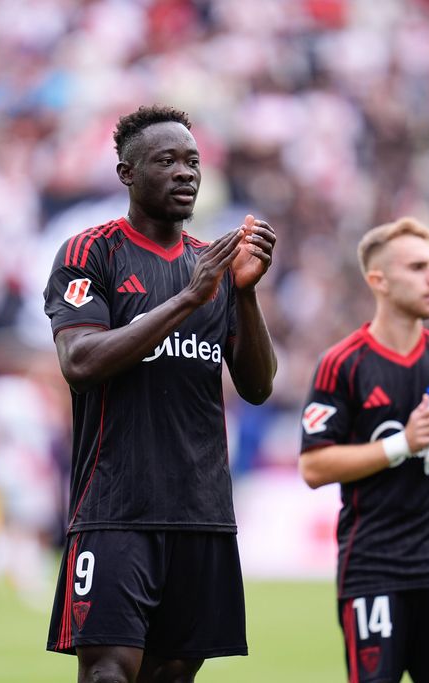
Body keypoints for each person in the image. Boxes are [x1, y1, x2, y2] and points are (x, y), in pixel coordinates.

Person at [43, 104, 277, 683]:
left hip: (201, 512)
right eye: (166, 160)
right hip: (115, 509)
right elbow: (80, 361)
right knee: (107, 674)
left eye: (192, 161)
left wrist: (244, 295)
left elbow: (258, 386)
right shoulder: (91, 253)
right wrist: (188, 300)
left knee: (171, 676)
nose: (185, 172)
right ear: (127, 172)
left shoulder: (212, 266)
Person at [298, 217, 429, 683]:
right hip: (373, 568)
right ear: (380, 281)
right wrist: (403, 443)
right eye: (417, 267)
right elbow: (313, 465)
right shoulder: (342, 364)